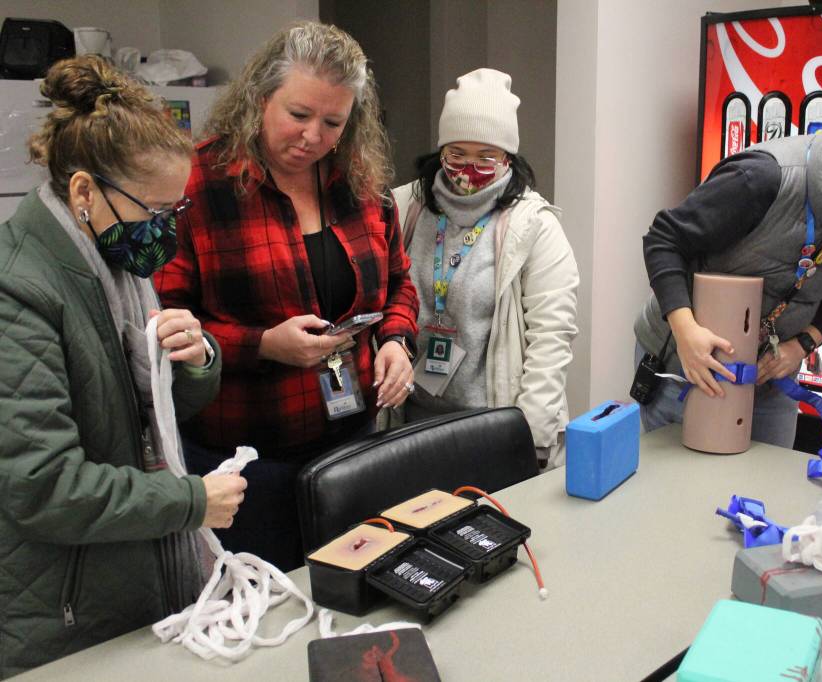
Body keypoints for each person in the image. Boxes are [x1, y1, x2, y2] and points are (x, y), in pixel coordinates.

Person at [0, 56, 246, 678]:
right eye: (154, 212)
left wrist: (196, 360)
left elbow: (143, 416)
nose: (164, 231)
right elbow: (44, 488)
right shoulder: (18, 292)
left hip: (137, 582)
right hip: (65, 613)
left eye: (174, 212)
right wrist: (190, 501)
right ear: (84, 191)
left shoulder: (113, 267)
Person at [155, 22, 418, 570]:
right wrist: (261, 345)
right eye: (298, 116)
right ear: (259, 99)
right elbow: (162, 321)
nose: (314, 138)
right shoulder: (195, 183)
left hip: (351, 442)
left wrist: (395, 341)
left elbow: (398, 282)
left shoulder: (358, 181)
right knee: (260, 611)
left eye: (333, 123)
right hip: (245, 457)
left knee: (351, 593)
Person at [633, 101, 822, 446]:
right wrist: (686, 333)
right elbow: (663, 240)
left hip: (768, 377)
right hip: (686, 363)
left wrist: (800, 346)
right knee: (684, 486)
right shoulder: (761, 178)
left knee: (765, 483)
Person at [392, 68, 579, 470]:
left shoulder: (534, 225)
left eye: (485, 157)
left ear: (508, 158)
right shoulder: (403, 207)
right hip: (410, 424)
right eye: (456, 154)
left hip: (490, 431)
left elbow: (552, 338)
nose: (468, 168)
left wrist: (528, 440)